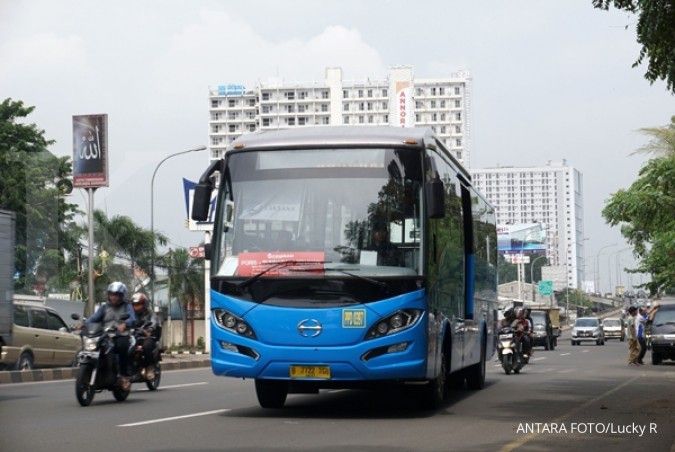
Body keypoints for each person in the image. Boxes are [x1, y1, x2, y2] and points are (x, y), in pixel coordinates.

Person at [85, 282, 136, 388]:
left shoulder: (127, 306)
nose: (114, 297)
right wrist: (83, 324)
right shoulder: (104, 307)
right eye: (112, 294)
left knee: (122, 346)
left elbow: (132, 319)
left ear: (122, 296)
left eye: (117, 295)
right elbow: (93, 318)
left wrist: (125, 324)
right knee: (89, 347)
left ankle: (123, 375)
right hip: (105, 335)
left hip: (120, 335)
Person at [131, 292, 160, 380]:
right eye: (135, 304)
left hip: (146, 336)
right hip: (133, 336)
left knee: (147, 346)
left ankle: (149, 367)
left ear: (144, 304)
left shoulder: (150, 313)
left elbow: (154, 321)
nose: (136, 307)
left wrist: (150, 329)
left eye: (139, 304)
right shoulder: (130, 314)